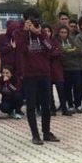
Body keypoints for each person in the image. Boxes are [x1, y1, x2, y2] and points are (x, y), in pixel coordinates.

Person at [13, 9, 59, 144]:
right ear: (25, 20)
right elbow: (20, 49)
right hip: (29, 75)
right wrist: (26, 32)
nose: (35, 22)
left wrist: (39, 34)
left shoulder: (42, 32)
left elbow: (51, 50)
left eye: (36, 19)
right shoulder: (19, 32)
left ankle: (46, 132)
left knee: (46, 105)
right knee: (31, 106)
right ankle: (35, 135)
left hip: (44, 74)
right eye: (32, 20)